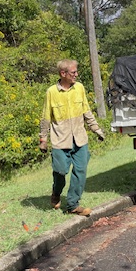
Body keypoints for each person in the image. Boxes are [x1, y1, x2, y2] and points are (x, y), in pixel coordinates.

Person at [39, 59, 105, 216]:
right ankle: (56, 192)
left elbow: (87, 111)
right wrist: (43, 139)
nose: (76, 74)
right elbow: (45, 117)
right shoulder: (51, 92)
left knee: (80, 171)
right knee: (60, 171)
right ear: (63, 73)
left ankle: (73, 205)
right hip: (60, 141)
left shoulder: (80, 88)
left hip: (80, 139)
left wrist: (96, 129)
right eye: (73, 72)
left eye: (76, 72)